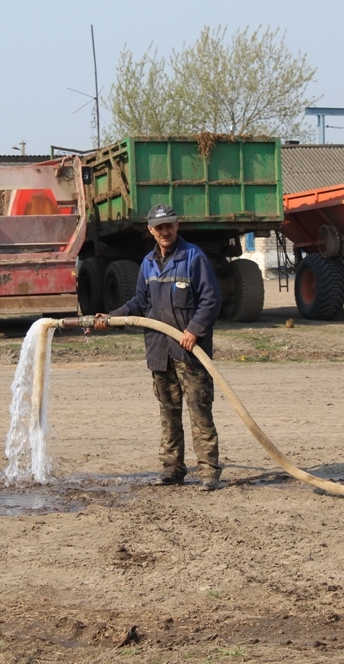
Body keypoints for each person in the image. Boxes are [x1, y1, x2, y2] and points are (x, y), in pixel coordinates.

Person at [94, 203, 224, 491]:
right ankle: (172, 469)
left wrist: (194, 330)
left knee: (199, 411)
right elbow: (140, 303)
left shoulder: (194, 258)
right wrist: (111, 317)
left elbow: (211, 300)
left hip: (189, 351)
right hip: (159, 351)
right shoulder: (147, 264)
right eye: (159, 227)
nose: (165, 231)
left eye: (169, 226)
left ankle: (208, 472)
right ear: (151, 230)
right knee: (168, 412)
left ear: (177, 226)